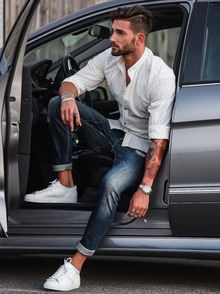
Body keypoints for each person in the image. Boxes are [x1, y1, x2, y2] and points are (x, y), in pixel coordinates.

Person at [25, 5, 175, 292]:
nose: (112, 38)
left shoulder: (160, 76)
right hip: (115, 131)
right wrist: (68, 97)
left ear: (139, 39)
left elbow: (158, 140)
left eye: (120, 33)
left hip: (139, 147)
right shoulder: (111, 58)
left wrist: (144, 189)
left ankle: (74, 268)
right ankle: (65, 185)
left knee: (110, 185)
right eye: (113, 31)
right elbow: (73, 82)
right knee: (57, 105)